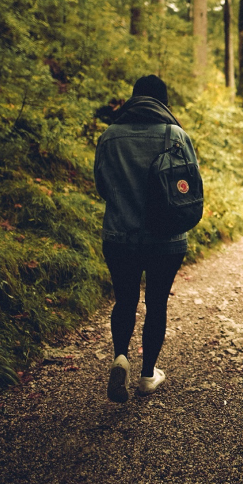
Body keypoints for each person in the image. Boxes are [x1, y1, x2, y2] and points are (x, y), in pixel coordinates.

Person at [94, 75, 194, 403]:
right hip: (166, 240)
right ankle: (147, 375)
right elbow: (190, 187)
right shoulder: (175, 135)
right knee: (156, 304)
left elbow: (102, 186)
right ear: (163, 102)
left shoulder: (109, 136)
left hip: (119, 236)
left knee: (125, 300)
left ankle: (121, 356)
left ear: (133, 99)